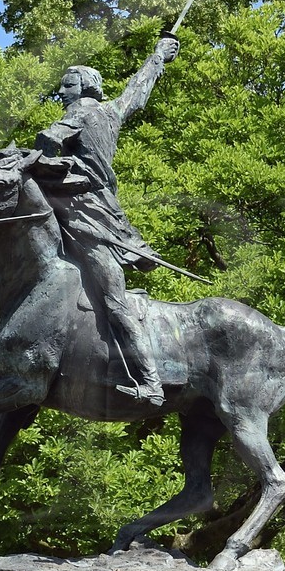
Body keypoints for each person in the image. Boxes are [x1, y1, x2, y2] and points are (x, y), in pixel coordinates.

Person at [20, 36, 180, 406]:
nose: (61, 90)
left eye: (68, 84)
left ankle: (149, 381)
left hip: (86, 217)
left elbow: (48, 138)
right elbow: (136, 92)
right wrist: (157, 57)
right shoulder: (110, 111)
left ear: (85, 86)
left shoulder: (79, 113)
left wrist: (35, 160)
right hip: (104, 213)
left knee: (114, 299)